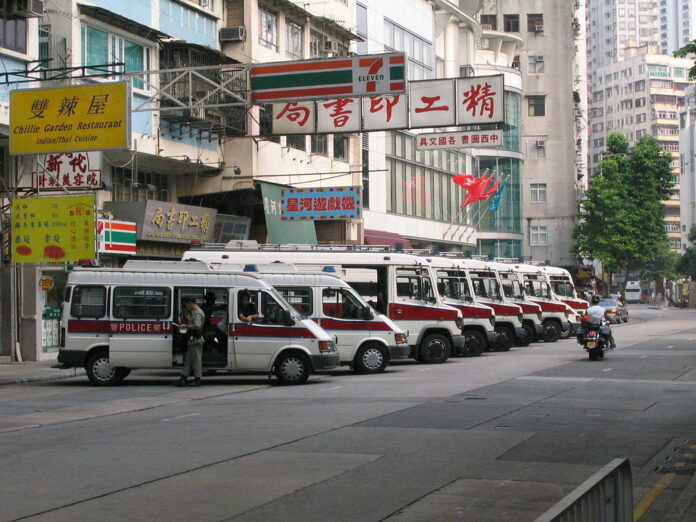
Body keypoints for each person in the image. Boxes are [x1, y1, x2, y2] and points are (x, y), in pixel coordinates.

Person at [175, 297, 206, 387]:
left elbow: (197, 326)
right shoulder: (193, 312)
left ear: (190, 303)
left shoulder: (197, 313)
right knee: (188, 361)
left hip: (196, 340)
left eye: (187, 305)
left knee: (196, 361)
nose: (187, 307)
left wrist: (186, 326)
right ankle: (183, 379)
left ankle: (197, 380)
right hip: (192, 340)